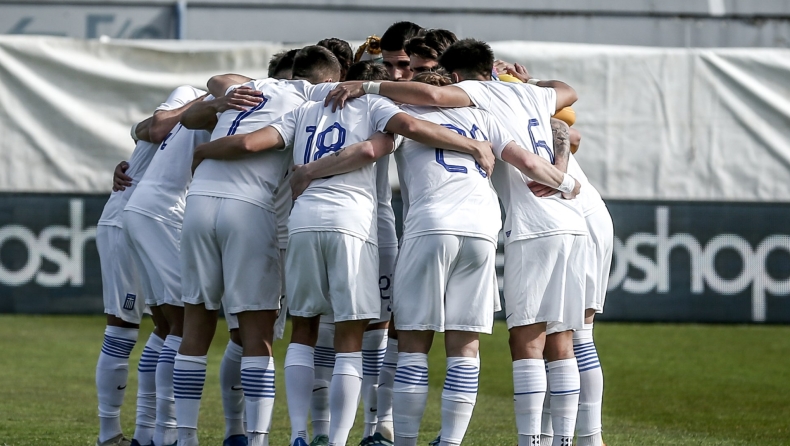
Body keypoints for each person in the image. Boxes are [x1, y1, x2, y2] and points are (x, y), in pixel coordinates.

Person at [191, 76, 494, 446]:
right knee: (351, 337)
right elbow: (380, 143)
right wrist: (474, 145)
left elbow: (250, 141)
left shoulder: (303, 109)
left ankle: (299, 434)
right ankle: (339, 439)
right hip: (352, 223)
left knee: (304, 329)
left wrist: (204, 151)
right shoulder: (378, 104)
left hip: (303, 220)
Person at [324, 38, 586, 446]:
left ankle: (404, 440)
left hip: (431, 226)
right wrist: (568, 184)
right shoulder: (484, 117)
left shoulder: (402, 112)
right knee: (465, 346)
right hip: (483, 228)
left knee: (413, 343)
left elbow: (381, 142)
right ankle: (450, 442)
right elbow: (530, 156)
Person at [173, 45, 343, 446]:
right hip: (247, 209)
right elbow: (251, 144)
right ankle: (258, 438)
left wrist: (217, 107)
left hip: (198, 204)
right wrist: (206, 148)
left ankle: (184, 437)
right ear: (328, 80)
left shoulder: (254, 86)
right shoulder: (309, 99)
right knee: (256, 332)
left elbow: (210, 90)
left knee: (195, 324)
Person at [94, 86, 202, 446]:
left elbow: (147, 130)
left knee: (167, 325)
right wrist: (208, 100)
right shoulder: (195, 95)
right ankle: (111, 433)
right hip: (127, 217)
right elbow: (155, 128)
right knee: (124, 328)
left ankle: (147, 433)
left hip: (158, 221)